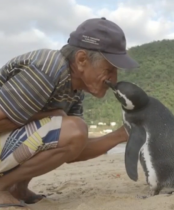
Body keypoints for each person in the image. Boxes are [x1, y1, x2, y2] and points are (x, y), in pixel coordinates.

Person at [0, 17, 139, 208]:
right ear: (82, 60)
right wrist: (50, 117)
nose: (113, 80)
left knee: (72, 128)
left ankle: (18, 189)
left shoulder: (74, 92)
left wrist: (121, 134)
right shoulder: (48, 67)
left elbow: (72, 149)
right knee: (70, 126)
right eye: (109, 69)